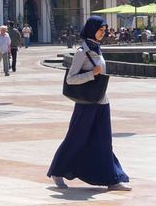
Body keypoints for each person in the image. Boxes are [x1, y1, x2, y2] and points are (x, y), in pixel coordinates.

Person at [48, 16, 130, 191]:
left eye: (104, 30)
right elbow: (70, 79)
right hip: (86, 103)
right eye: (101, 30)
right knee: (76, 138)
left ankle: (112, 179)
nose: (103, 33)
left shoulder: (98, 50)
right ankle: (57, 171)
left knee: (104, 141)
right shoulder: (81, 52)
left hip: (102, 102)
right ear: (92, 29)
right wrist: (91, 74)